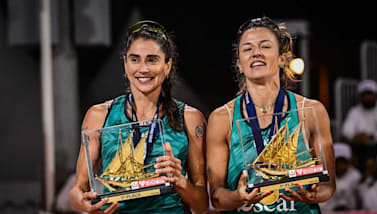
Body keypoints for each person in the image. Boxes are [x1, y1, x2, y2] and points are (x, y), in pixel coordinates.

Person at [68, 20, 209, 214]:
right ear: (125, 64)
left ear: (167, 66)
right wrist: (82, 203)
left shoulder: (190, 118)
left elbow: (201, 205)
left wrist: (180, 181)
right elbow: (78, 189)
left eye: (152, 60)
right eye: (135, 59)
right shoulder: (98, 115)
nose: (143, 69)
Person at [206, 17, 336, 213]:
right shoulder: (222, 118)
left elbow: (328, 185)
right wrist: (238, 196)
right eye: (247, 49)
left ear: (283, 58)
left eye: (265, 46)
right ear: (239, 63)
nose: (256, 53)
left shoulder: (311, 111)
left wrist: (313, 195)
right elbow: (217, 197)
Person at [342, 79, 377, 170]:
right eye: (364, 95)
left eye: (370, 94)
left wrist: (372, 137)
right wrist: (356, 136)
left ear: (375, 95)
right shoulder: (355, 111)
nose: (367, 97)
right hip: (359, 146)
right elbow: (346, 129)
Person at [319, 142, 361, 212]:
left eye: (343, 162)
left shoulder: (356, 175)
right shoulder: (325, 176)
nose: (341, 165)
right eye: (338, 162)